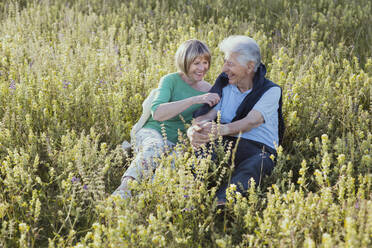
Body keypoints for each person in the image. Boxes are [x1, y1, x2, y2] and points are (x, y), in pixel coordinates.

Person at [113, 39, 220, 198]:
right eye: (196, 63)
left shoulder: (210, 91)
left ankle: (144, 199)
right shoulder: (170, 80)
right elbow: (158, 113)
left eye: (205, 62)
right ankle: (123, 190)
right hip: (153, 133)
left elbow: (206, 120)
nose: (202, 68)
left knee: (173, 164)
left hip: (178, 143)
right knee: (155, 147)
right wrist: (194, 100)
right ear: (184, 62)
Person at [187, 35, 284, 205]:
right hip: (227, 142)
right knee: (204, 152)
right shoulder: (225, 85)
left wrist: (221, 130)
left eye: (230, 64)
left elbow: (252, 121)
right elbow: (207, 115)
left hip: (259, 148)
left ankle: (222, 203)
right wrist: (195, 130)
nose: (224, 68)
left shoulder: (271, 91)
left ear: (250, 66)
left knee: (257, 165)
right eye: (225, 62)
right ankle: (188, 196)